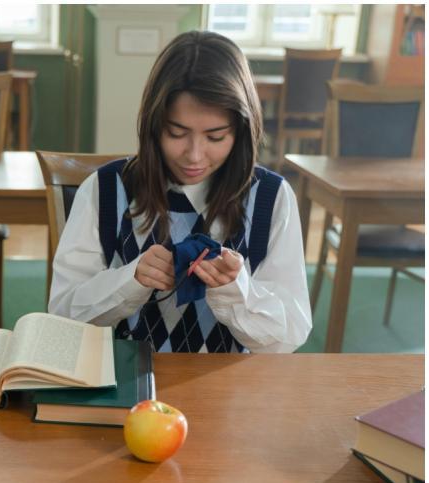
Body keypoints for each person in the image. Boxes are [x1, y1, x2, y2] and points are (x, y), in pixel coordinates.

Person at [49, 31, 311, 353]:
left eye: (215, 137)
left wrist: (235, 290)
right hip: (124, 384)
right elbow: (61, 316)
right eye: (177, 133)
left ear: (241, 132)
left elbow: (288, 337)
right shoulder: (105, 190)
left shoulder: (271, 198)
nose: (195, 155)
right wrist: (131, 280)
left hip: (229, 388)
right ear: (153, 124)